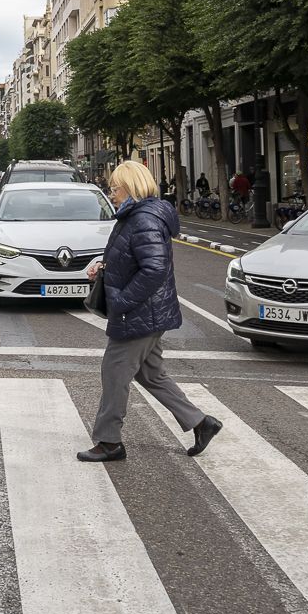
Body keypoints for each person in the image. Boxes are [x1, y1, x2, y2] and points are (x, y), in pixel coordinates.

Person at [78, 160, 221, 463]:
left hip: (140, 313)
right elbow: (135, 259)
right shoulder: (136, 216)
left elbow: (154, 269)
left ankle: (109, 442)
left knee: (114, 373)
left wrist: (122, 301)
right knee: (151, 374)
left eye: (114, 187)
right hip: (148, 312)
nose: (111, 192)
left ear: (130, 187)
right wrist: (105, 268)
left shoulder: (143, 220)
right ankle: (200, 422)